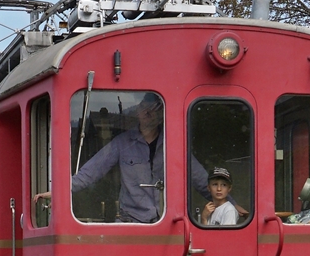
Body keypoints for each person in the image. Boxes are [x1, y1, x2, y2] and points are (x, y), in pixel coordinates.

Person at [69, 93, 212, 223]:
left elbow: (200, 178)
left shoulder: (175, 144)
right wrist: (62, 191)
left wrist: (228, 203)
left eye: (153, 108)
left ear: (162, 113)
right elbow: (93, 170)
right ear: (137, 111)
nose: (147, 112)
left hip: (169, 223)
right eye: (144, 107)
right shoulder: (122, 142)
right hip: (131, 223)